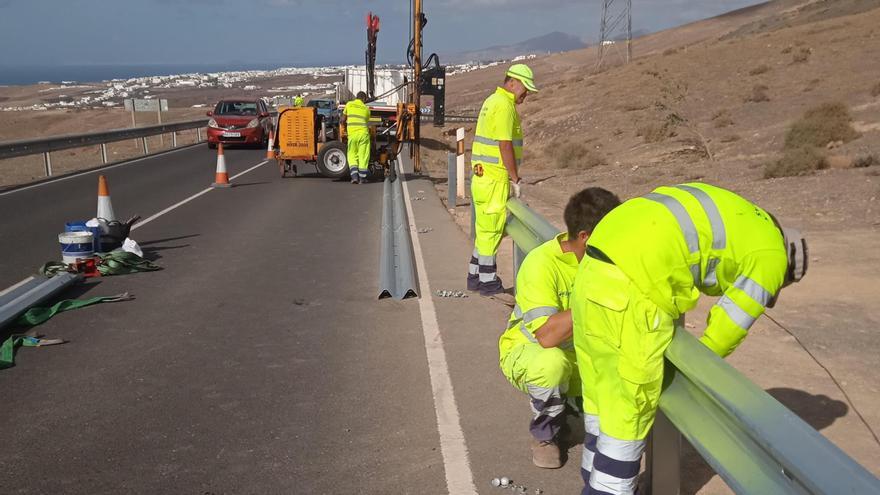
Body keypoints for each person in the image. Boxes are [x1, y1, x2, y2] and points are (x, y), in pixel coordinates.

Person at [570, 182, 808, 495]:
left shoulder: (741, 213)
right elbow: (728, 327)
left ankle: (591, 480)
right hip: (633, 290)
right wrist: (688, 373)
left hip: (592, 273)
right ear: (787, 268)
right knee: (628, 412)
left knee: (602, 398)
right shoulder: (772, 256)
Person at [499, 188, 621, 469]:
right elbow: (547, 336)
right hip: (530, 352)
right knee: (551, 364)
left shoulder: (606, 262)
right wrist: (598, 298)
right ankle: (546, 434)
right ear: (586, 237)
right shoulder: (542, 264)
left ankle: (573, 409)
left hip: (581, 355)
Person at [467, 64, 538, 296]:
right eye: (525, 88)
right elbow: (505, 144)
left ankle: (474, 275)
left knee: (484, 228)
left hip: (483, 177)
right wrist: (515, 177)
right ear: (513, 82)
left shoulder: (492, 101)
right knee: (492, 230)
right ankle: (488, 281)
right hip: (494, 178)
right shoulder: (503, 105)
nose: (526, 93)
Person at [340, 92, 371, 184]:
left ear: (356, 97)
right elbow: (366, 120)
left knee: (352, 155)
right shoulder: (366, 109)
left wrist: (343, 125)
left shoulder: (349, 104)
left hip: (352, 135)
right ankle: (362, 179)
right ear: (364, 99)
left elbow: (343, 119)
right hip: (363, 135)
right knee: (363, 156)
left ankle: (354, 177)